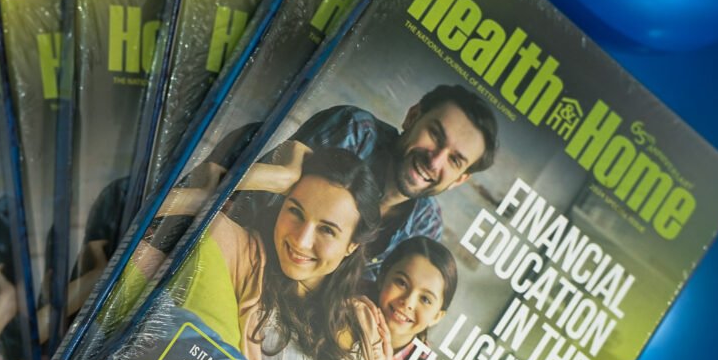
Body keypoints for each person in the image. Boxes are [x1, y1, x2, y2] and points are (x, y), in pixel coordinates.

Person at [165, 147, 412, 360]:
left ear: (352, 246)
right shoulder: (244, 253)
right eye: (295, 211)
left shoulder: (365, 318)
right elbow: (158, 211)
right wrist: (275, 177)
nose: (301, 239)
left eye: (327, 230)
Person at [162, 85, 499, 280]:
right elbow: (260, 214)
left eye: (454, 160)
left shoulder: (427, 224)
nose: (435, 161)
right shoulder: (355, 130)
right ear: (412, 117)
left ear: (460, 179)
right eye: (435, 135)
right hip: (234, 257)